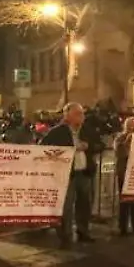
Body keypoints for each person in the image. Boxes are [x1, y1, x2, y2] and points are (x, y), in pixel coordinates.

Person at [40, 103, 97, 247]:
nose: (81, 117)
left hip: (85, 173)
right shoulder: (57, 132)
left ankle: (83, 232)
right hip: (66, 175)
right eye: (78, 114)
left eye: (82, 114)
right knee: (66, 207)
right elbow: (43, 147)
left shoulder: (87, 130)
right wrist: (65, 151)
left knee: (85, 204)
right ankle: (66, 237)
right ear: (67, 116)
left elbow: (100, 144)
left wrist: (89, 146)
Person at [115, 116, 134, 235]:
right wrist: (127, 141)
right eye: (133, 126)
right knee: (125, 201)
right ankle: (123, 227)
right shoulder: (120, 138)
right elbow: (119, 153)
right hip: (124, 172)